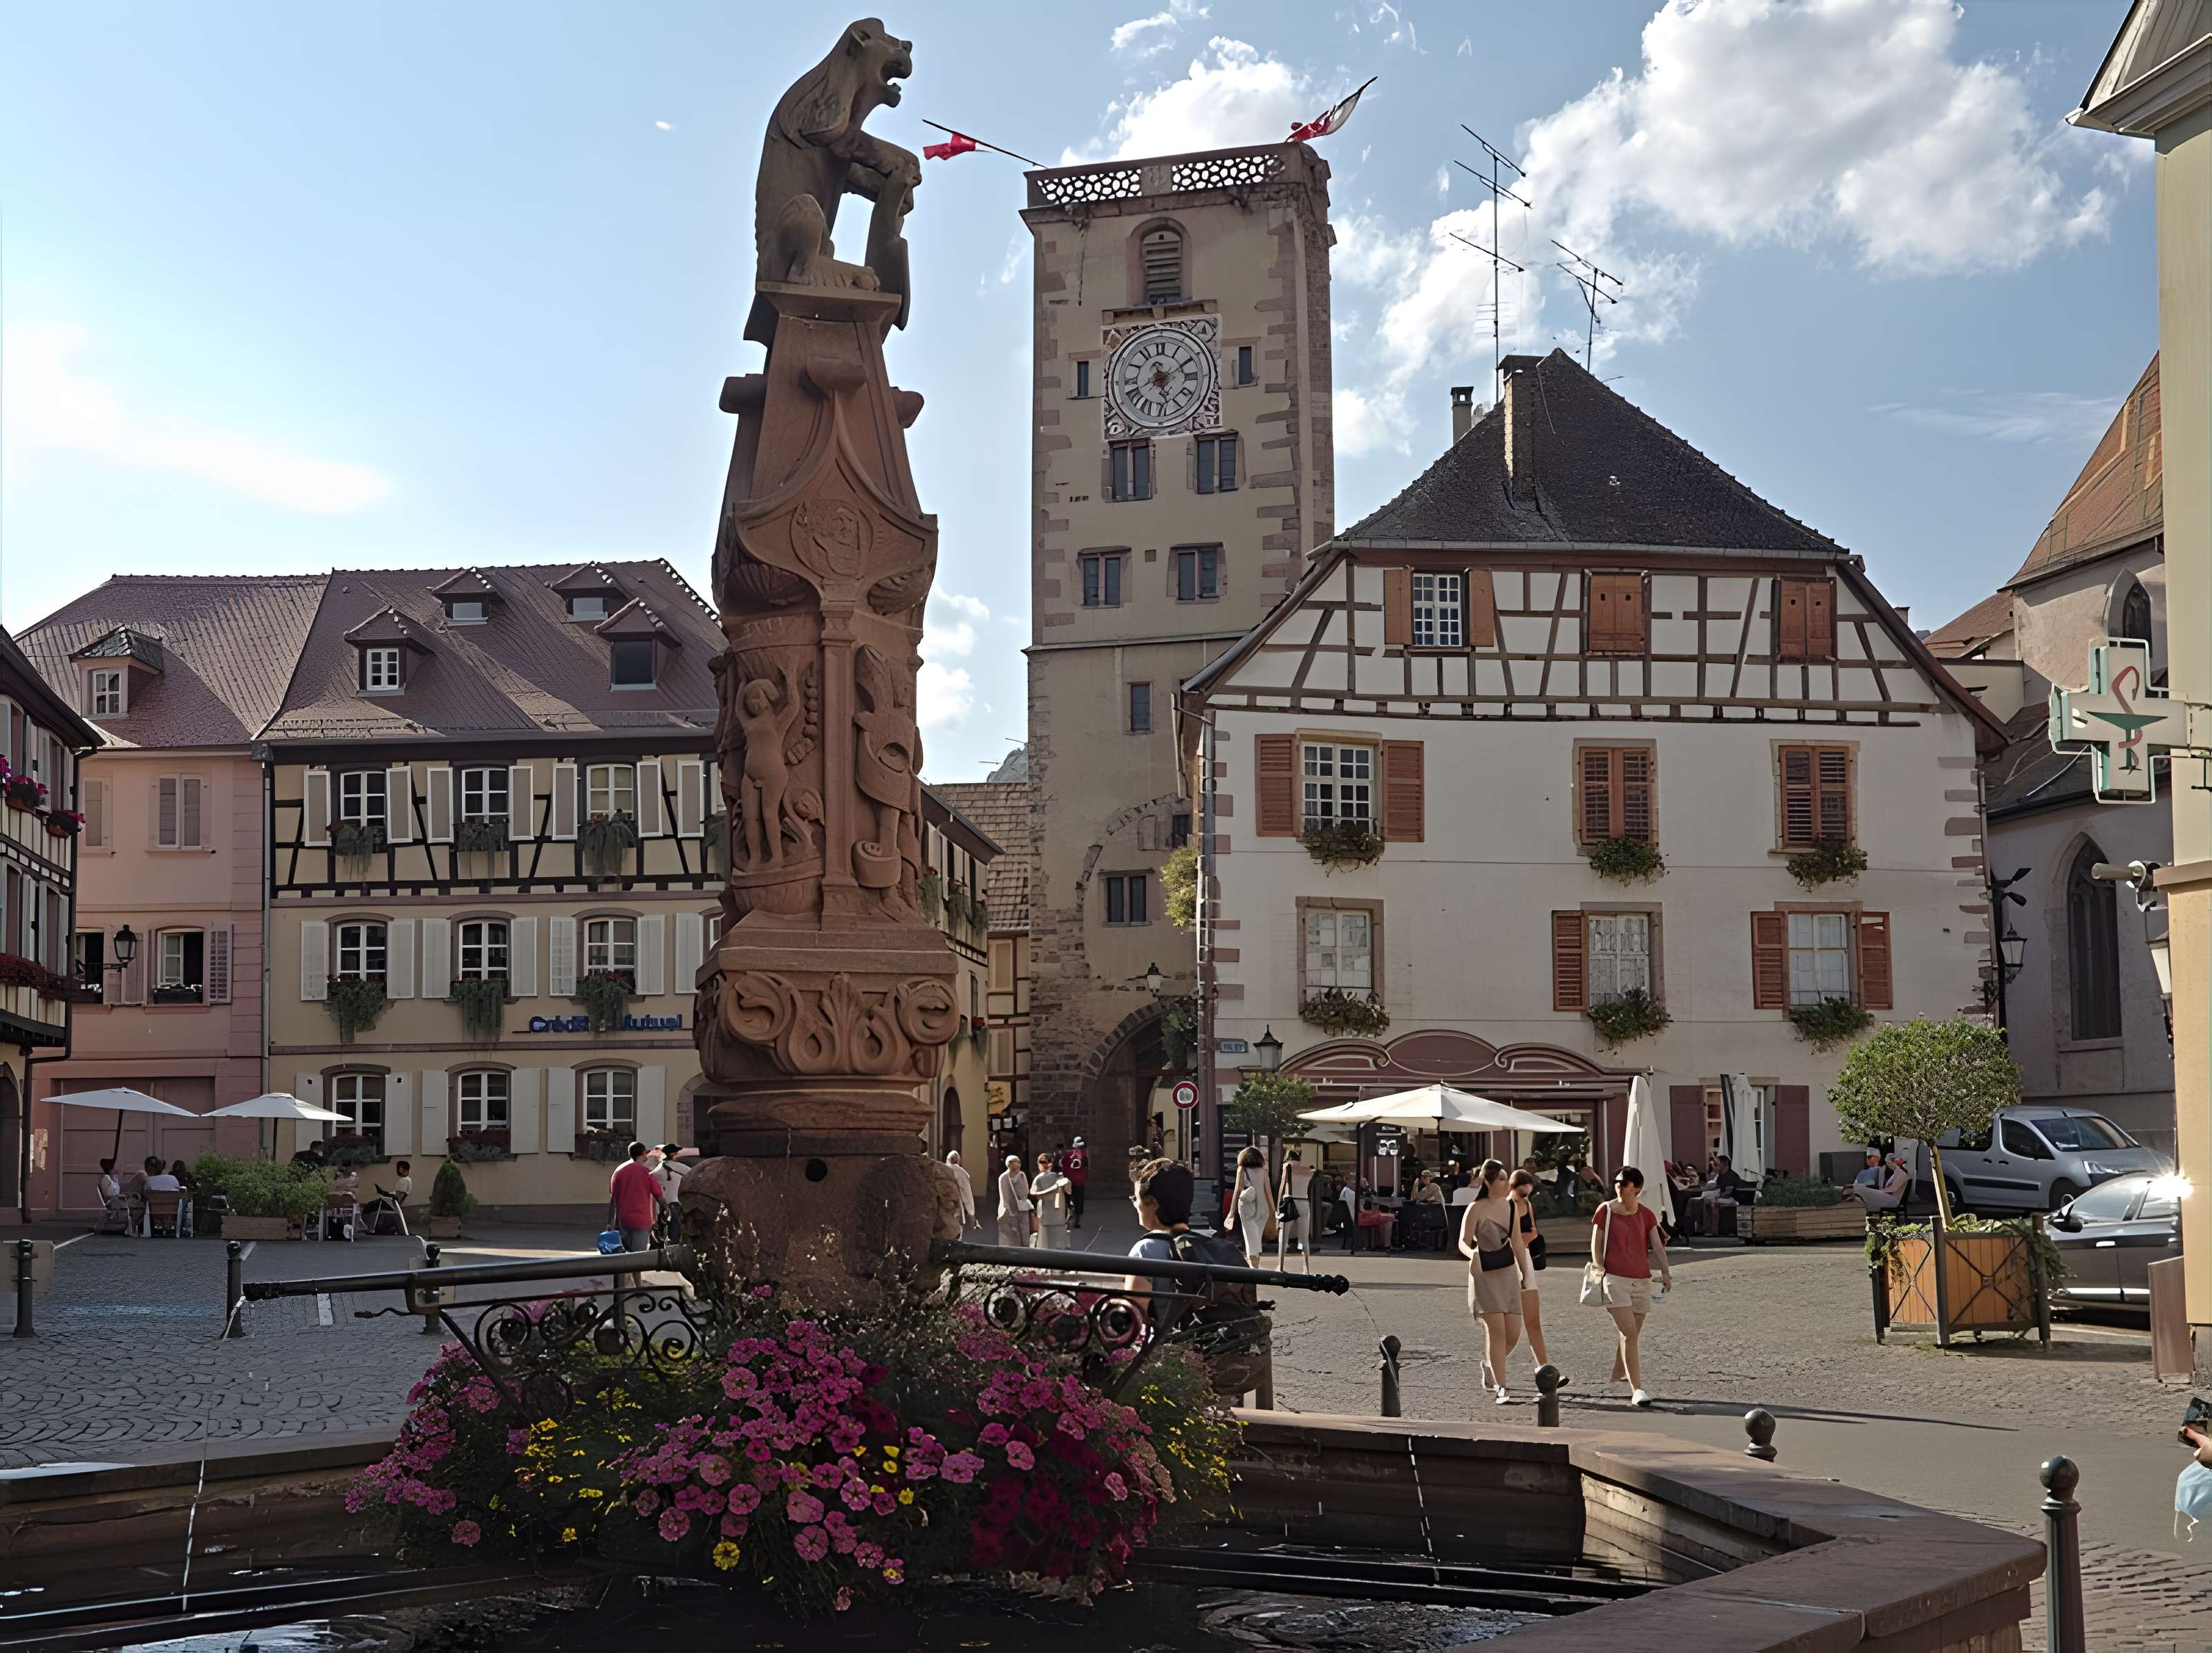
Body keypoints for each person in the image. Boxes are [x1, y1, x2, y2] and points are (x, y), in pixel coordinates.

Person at [1591, 1165, 1672, 1408]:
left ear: (1636, 1189)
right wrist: (1600, 1269)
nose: (1619, 1186)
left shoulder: (1646, 1215)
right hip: (1615, 1280)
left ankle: (1619, 1371)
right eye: (1617, 1182)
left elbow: (1657, 1246)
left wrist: (1666, 1273)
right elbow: (1595, 1243)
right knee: (1630, 1333)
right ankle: (1637, 1389)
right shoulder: (1605, 1211)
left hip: (1642, 1281)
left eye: (1624, 1183)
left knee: (1631, 1333)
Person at [1459, 1160, 1528, 1406]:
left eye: (1506, 1178)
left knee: (1513, 1333)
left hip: (1508, 1272)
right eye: (1500, 1178)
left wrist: (1525, 1274)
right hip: (1485, 1273)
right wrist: (1473, 1253)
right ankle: (1502, 1387)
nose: (1505, 1182)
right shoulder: (1476, 1208)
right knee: (1496, 1332)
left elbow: (1518, 1242)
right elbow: (1462, 1242)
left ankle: (1489, 1365)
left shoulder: (1511, 1207)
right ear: (1487, 1182)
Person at [1509, 1167, 1566, 1390]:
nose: (1525, 1196)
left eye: (1528, 1192)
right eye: (1522, 1192)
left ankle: (1544, 1368)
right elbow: (1511, 1238)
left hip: (1526, 1262)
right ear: (1513, 1188)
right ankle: (1490, 1366)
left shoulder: (1527, 1205)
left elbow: (1532, 1232)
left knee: (1533, 1322)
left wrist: (1524, 1241)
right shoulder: (1508, 1206)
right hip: (1510, 1264)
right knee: (1508, 1331)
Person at [608, 1141, 664, 1256]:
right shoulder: (646, 1173)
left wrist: (610, 1222)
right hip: (642, 1222)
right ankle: (636, 1275)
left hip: (623, 1222)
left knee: (621, 1257)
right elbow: (659, 1195)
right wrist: (666, 1209)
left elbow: (613, 1199)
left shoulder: (619, 1171)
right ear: (643, 1154)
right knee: (638, 1258)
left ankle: (623, 1274)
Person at [1276, 1149, 1316, 1273]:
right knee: (1305, 1239)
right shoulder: (1310, 1169)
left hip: (1290, 1203)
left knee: (1283, 1236)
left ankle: (1281, 1266)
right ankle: (1306, 1269)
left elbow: (1283, 1186)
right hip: (1304, 1202)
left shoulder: (1287, 1166)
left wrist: (1278, 1206)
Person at [1232, 1145, 1270, 1267]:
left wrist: (1231, 1212)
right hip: (1263, 1207)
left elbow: (1238, 1190)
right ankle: (1255, 1268)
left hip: (1247, 1206)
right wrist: (1274, 1210)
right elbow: (1268, 1191)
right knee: (1256, 1241)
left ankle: (1253, 1271)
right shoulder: (1264, 1170)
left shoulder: (1242, 1169)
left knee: (1250, 1240)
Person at [1030, 1153, 1071, 1249]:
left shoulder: (1059, 1178)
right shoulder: (1038, 1179)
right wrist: (1051, 1189)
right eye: (1041, 1162)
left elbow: (1068, 1191)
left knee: (1057, 1239)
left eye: (1044, 1162)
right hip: (1046, 1213)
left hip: (1058, 1212)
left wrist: (1066, 1183)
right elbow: (1034, 1194)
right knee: (1046, 1240)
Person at [1846, 1155, 1911, 1215]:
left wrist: (1879, 1191)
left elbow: (1894, 1189)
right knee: (1864, 1191)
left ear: (1895, 1163)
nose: (1889, 1165)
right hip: (1889, 1197)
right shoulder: (1896, 1172)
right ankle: (1863, 1201)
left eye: (1890, 1163)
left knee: (1860, 1188)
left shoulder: (1901, 1174)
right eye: (1888, 1163)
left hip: (1893, 1200)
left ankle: (1857, 1196)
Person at [652, 1143, 690, 1242]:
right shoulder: (679, 1167)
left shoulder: (658, 1169)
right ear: (673, 1154)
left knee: (662, 1237)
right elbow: (694, 1174)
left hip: (660, 1206)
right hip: (675, 1204)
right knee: (675, 1237)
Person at [995, 1153, 1033, 1247]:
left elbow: (1025, 1192)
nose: (1018, 1165)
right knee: (1012, 1233)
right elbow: (1004, 1195)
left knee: (1024, 1230)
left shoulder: (1022, 1175)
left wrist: (1016, 1180)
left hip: (1022, 1208)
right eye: (1015, 1162)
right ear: (1009, 1164)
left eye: (1019, 1162)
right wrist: (1007, 1208)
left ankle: (1025, 1248)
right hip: (1009, 1210)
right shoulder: (1003, 1177)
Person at [366, 1160, 413, 1234]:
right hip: (392, 1201)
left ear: (405, 1170)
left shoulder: (404, 1181)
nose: (398, 1171)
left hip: (393, 1203)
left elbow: (399, 1196)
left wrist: (384, 1193)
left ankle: (373, 1227)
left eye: (400, 1169)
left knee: (370, 1206)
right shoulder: (406, 1179)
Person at [1060, 1137, 1089, 1230]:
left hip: (1068, 1181)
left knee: (1068, 1200)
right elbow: (1086, 1167)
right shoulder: (1084, 1155)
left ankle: (1067, 1221)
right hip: (1080, 1182)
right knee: (1079, 1201)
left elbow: (1062, 1164)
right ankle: (1077, 1221)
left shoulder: (1068, 1154)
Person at [944, 1149, 976, 1230]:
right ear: (959, 1161)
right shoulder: (962, 1173)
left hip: (941, 1206)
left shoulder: (941, 1169)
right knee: (956, 1233)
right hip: (955, 1206)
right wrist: (971, 1213)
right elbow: (967, 1194)